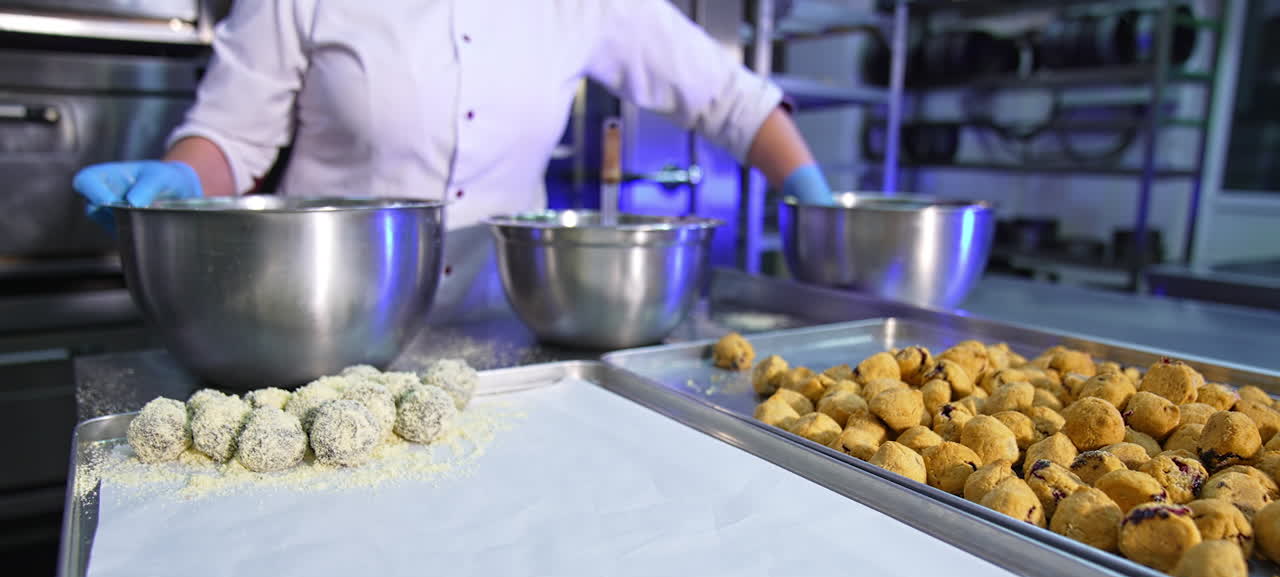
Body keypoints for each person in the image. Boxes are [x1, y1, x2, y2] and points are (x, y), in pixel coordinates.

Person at [73, 0, 832, 320]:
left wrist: (815, 198)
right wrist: (180, 179)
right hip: (319, 317)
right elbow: (231, 139)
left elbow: (729, 99)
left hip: (504, 327)